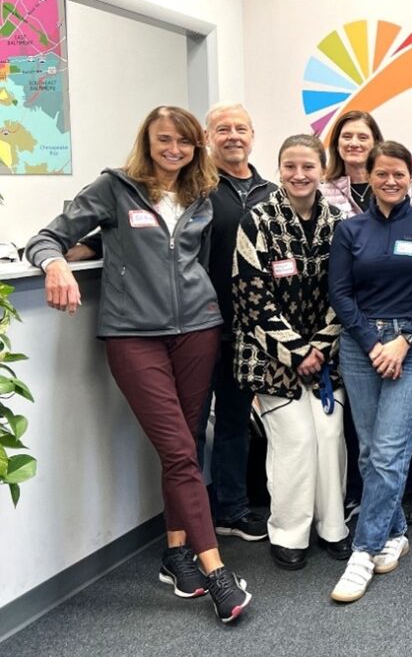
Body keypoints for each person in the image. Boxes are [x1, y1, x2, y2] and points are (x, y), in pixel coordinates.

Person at [25, 106, 252, 624]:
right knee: (177, 450)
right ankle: (217, 573)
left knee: (187, 444)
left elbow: (204, 262)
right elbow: (48, 236)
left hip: (198, 329)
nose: (174, 149)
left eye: (185, 142)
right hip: (134, 336)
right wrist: (55, 263)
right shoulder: (115, 188)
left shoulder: (201, 196)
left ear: (197, 147)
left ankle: (175, 554)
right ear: (147, 141)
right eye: (164, 140)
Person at [328, 140, 412, 603]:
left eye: (399, 173)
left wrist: (403, 341)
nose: (391, 180)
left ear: (410, 176)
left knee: (388, 449)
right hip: (362, 345)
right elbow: (340, 294)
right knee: (369, 452)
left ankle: (364, 549)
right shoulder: (350, 230)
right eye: (382, 173)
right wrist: (373, 342)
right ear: (371, 176)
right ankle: (395, 531)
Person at [232, 134, 348, 571]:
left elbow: (347, 293)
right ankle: (288, 533)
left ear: (322, 170)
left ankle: (332, 527)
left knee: (330, 434)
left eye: (308, 167)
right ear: (279, 169)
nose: (299, 175)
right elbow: (250, 298)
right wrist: (297, 351)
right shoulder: (256, 221)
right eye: (290, 166)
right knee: (296, 440)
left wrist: (319, 345)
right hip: (269, 358)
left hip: (327, 354)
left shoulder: (339, 223)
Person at [321, 109, 412, 526]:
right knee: (362, 429)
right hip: (349, 322)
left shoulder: (411, 202)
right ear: (336, 144)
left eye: (362, 136)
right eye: (346, 137)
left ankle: (397, 500)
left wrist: (402, 337)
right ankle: (366, 501)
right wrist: (366, 337)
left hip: (404, 325)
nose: (354, 144)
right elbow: (337, 284)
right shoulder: (325, 189)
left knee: (396, 429)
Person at [200, 102, 275, 542]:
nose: (233, 136)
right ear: (208, 137)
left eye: (240, 128)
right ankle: (186, 520)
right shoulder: (197, 188)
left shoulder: (270, 191)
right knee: (191, 427)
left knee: (233, 421)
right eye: (222, 129)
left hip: (248, 332)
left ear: (252, 135)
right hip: (199, 326)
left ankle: (232, 510)